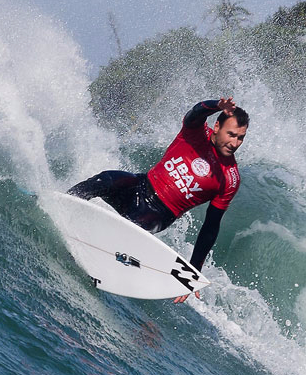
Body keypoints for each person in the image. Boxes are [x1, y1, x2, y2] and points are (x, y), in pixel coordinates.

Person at [68, 98, 247, 303]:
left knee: (132, 225)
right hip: (141, 185)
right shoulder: (196, 133)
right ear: (217, 126)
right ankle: (64, 204)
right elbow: (194, 113)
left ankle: (95, 264)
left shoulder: (229, 179)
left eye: (240, 138)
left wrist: (193, 272)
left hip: (159, 213)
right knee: (107, 179)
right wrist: (216, 105)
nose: (235, 143)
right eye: (231, 134)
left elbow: (210, 227)